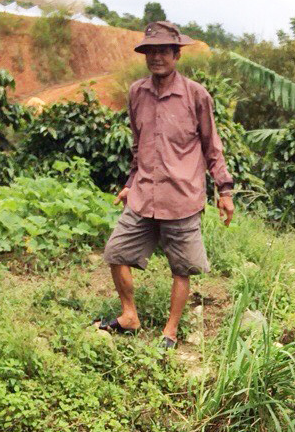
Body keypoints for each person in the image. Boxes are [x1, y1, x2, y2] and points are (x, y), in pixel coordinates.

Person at [97, 20, 234, 350]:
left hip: (182, 196)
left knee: (181, 268)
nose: (156, 57)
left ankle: (169, 331)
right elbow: (138, 143)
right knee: (116, 252)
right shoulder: (136, 93)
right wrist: (131, 182)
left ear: (177, 55)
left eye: (163, 51)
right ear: (145, 55)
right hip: (144, 192)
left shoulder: (196, 95)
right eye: (151, 51)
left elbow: (211, 144)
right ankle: (129, 315)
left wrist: (224, 190)